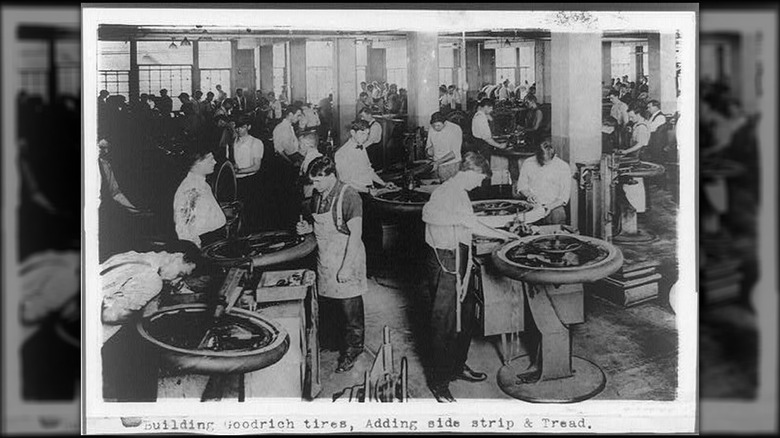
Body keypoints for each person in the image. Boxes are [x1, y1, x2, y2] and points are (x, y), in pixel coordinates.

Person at [421, 152, 515, 402]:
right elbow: (427, 215)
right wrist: (502, 236)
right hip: (445, 260)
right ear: (470, 172)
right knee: (445, 322)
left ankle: (456, 366)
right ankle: (439, 382)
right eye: (480, 179)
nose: (479, 184)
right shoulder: (444, 193)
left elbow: (470, 224)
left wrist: (502, 234)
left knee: (466, 314)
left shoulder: (461, 194)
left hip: (460, 254)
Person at [296, 156, 367, 373]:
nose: (314, 186)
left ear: (330, 176)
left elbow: (355, 235)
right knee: (330, 304)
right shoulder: (319, 195)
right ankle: (336, 342)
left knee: (349, 307)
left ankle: (354, 349)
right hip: (326, 257)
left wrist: (346, 267)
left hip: (347, 256)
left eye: (317, 181)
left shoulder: (349, 196)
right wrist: (307, 229)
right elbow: (321, 227)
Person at [173, 149, 227, 248]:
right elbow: (183, 224)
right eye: (210, 159)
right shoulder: (191, 188)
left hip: (216, 238)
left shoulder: (203, 183)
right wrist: (195, 249)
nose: (215, 162)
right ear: (197, 163)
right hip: (207, 242)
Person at [517, 139, 572, 225]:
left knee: (557, 225)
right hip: (533, 206)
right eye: (542, 161)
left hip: (554, 206)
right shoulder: (528, 163)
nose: (545, 164)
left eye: (548, 162)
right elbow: (521, 186)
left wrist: (549, 207)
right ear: (537, 155)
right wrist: (529, 195)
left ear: (554, 155)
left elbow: (564, 197)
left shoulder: (563, 167)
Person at [334, 120, 392, 193]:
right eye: (362, 134)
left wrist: (384, 184)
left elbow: (369, 171)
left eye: (367, 134)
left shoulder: (362, 147)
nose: (366, 138)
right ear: (352, 133)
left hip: (369, 190)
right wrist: (368, 191)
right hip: (355, 193)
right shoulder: (341, 153)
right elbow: (345, 181)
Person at [232, 116, 266, 232]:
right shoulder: (233, 142)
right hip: (236, 181)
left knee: (250, 210)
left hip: (249, 181)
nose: (239, 130)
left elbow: (257, 166)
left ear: (249, 127)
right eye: (237, 127)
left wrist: (238, 171)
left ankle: (251, 233)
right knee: (237, 210)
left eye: (242, 127)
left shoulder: (256, 143)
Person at [426, 111, 463, 182]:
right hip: (436, 166)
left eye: (438, 125)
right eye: (434, 126)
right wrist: (429, 152)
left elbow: (455, 153)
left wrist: (438, 162)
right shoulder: (431, 129)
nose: (436, 128)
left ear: (445, 123)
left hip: (452, 166)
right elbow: (428, 146)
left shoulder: (455, 129)